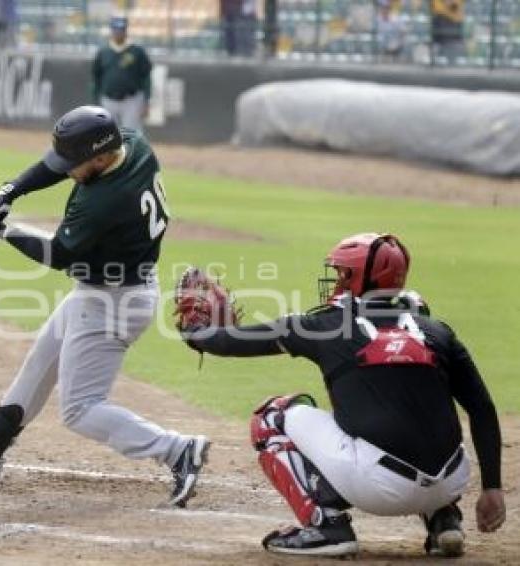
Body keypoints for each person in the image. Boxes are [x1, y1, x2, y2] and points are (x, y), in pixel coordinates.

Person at [0, 106, 210, 508]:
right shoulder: (132, 143)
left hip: (115, 302)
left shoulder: (103, 202)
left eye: (74, 164)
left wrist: (4, 232)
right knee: (39, 365)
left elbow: (59, 254)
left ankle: (176, 449)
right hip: (105, 290)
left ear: (99, 158)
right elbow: (54, 165)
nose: (67, 171)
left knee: (80, 409)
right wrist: (11, 191)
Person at [180, 233, 505, 557]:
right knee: (420, 410)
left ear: (357, 277)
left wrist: (195, 334)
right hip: (450, 482)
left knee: (272, 415)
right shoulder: (437, 331)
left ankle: (326, 526)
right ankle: (443, 517)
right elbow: (482, 409)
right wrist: (492, 487)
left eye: (342, 273)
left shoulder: (327, 325)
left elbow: (233, 342)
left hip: (378, 489)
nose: (337, 280)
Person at [91, 16, 151, 132]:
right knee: (108, 135)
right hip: (108, 100)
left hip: (131, 100)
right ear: (111, 30)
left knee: (132, 135)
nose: (118, 33)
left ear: (126, 31)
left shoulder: (137, 51)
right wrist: (94, 100)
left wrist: (146, 100)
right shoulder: (103, 52)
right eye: (116, 30)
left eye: (121, 30)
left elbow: (146, 77)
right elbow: (95, 77)